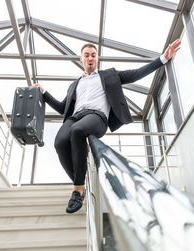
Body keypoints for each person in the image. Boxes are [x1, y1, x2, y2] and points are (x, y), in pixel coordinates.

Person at [34, 39, 181, 213]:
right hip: (75, 117)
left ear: (97, 59)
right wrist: (44, 93)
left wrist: (162, 58)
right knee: (60, 142)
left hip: (96, 117)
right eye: (87, 55)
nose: (90, 58)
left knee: (78, 131)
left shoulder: (109, 75)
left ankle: (78, 190)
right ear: (81, 58)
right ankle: (82, 179)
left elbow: (136, 73)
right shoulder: (75, 84)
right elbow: (62, 108)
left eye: (94, 55)